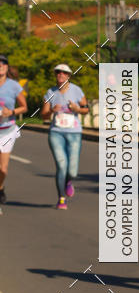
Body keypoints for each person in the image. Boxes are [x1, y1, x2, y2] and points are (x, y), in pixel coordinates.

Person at [41, 64, 89, 210]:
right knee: (61, 166)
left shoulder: (77, 91)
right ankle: (61, 199)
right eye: (58, 72)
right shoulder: (50, 92)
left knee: (72, 170)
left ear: (68, 75)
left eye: (64, 73)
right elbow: (43, 115)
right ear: (56, 75)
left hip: (74, 133)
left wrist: (77, 109)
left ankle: (69, 181)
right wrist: (51, 112)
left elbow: (86, 109)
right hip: (56, 132)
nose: (61, 75)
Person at [0, 53, 28, 205]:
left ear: (6, 66)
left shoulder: (14, 86)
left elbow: (24, 107)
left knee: (3, 169)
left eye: (3, 63)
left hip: (7, 130)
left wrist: (10, 112)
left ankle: (0, 187)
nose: (0, 65)